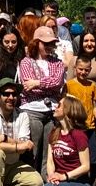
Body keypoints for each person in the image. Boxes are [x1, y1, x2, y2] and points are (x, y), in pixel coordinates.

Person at [35, 94, 92, 186]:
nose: (55, 107)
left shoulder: (78, 135)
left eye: (59, 105)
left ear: (68, 110)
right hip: (58, 182)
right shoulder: (54, 132)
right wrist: (52, 176)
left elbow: (85, 166)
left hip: (78, 183)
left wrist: (63, 176)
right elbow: (50, 160)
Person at [19, 25, 66, 173]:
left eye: (51, 43)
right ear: (36, 43)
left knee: (49, 151)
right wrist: (47, 85)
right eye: (45, 43)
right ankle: (32, 185)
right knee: (33, 151)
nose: (49, 46)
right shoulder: (26, 61)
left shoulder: (57, 62)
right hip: (32, 109)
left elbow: (57, 82)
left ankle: (46, 184)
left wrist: (38, 83)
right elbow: (27, 85)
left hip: (51, 111)